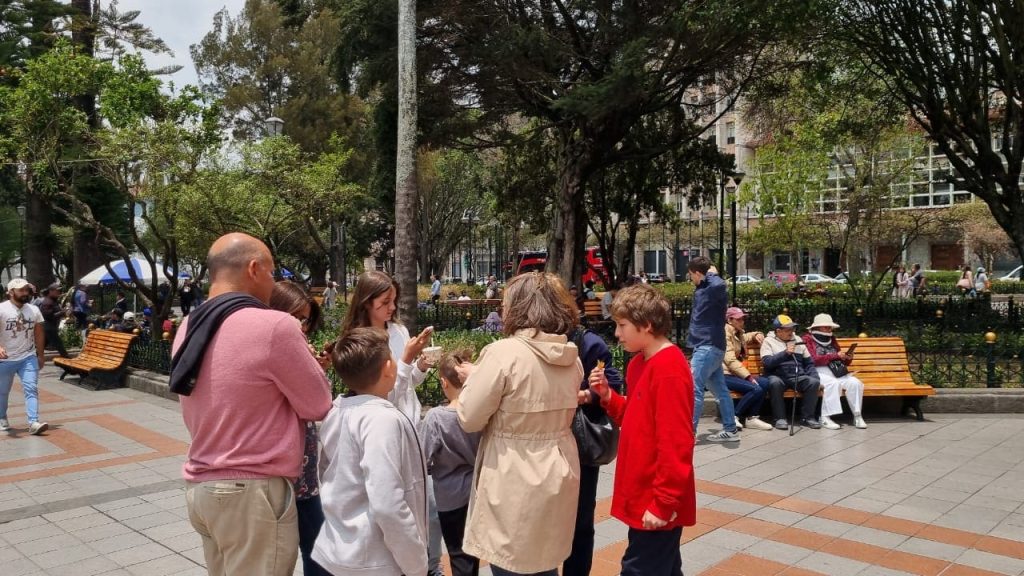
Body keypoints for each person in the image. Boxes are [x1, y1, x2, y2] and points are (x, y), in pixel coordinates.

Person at [171, 233, 333, 576]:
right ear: (254, 269)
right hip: (252, 491)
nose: (274, 283)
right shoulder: (275, 325)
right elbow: (318, 403)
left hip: (202, 485)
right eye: (272, 273)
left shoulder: (189, 324)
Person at [457, 272, 583, 576]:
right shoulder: (571, 357)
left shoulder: (504, 353)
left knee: (510, 563)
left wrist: (473, 379)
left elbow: (469, 418)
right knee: (545, 562)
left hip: (513, 471)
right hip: (559, 467)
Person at [339, 270, 444, 575]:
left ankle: (428, 563)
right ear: (366, 302)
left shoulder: (397, 332)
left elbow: (405, 385)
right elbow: (380, 395)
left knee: (427, 508)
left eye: (394, 301)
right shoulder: (357, 343)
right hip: (381, 432)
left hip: (410, 428)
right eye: (385, 301)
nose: (392, 308)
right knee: (390, 506)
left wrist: (419, 366)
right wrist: (407, 361)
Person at [588, 283, 694, 576]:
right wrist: (608, 397)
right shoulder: (639, 364)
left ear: (646, 325)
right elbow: (636, 418)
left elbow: (676, 442)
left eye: (622, 325)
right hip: (644, 491)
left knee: (638, 569)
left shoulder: (669, 368)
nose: (618, 334)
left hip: (656, 496)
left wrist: (664, 503)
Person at [314, 327, 428, 576]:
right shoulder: (381, 420)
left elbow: (326, 474)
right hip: (378, 560)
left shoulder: (337, 411)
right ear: (389, 367)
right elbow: (388, 503)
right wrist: (417, 564)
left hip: (341, 551)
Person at [269, 281, 332, 576]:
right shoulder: (274, 345)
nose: (302, 326)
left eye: (305, 319)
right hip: (279, 475)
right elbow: (318, 404)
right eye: (296, 317)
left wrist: (315, 367)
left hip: (304, 472)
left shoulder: (295, 347)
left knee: (317, 549)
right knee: (283, 557)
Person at [564, 324, 624, 576]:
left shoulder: (589, 343)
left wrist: (587, 394)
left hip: (579, 443)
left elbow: (612, 382)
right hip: (544, 443)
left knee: (580, 520)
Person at [422, 349, 482, 576]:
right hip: (477, 492)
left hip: (449, 497)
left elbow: (423, 457)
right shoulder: (480, 412)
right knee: (471, 555)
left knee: (457, 554)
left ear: (443, 382)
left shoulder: (436, 418)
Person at [687, 257, 737, 442]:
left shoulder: (714, 286)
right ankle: (730, 429)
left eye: (691, 274)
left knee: (695, 389)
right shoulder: (704, 288)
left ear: (698, 273)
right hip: (710, 346)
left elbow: (720, 284)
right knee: (721, 390)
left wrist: (712, 273)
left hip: (707, 346)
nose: (690, 278)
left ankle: (688, 432)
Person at [0, 279, 48, 435]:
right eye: (21, 290)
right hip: (5, 359)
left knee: (31, 389)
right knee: (3, 391)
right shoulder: (2, 309)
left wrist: (40, 355)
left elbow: (39, 333)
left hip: (28, 357)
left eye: (26, 290)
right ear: (11, 292)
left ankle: (33, 422)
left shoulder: (33, 310)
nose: (25, 293)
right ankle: (2, 418)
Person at [802, 314, 866, 430]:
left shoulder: (832, 339)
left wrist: (847, 357)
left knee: (855, 382)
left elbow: (840, 361)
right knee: (832, 384)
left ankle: (857, 415)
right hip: (817, 371)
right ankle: (825, 417)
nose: (829, 329)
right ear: (817, 327)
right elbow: (812, 360)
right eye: (826, 327)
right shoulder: (807, 339)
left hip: (836, 371)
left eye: (830, 327)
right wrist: (834, 355)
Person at [760, 315, 821, 429]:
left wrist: (816, 378)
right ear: (778, 331)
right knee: (775, 383)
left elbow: (809, 363)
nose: (792, 332)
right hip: (777, 375)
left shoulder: (798, 339)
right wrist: (785, 353)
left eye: (793, 328)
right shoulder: (768, 341)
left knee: (813, 382)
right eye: (788, 329)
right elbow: (767, 362)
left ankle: (807, 418)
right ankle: (779, 418)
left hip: (797, 375)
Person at [722, 307, 776, 431]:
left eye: (743, 319)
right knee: (756, 388)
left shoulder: (738, 333)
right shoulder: (724, 334)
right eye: (739, 319)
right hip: (724, 374)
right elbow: (730, 360)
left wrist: (757, 334)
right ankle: (733, 416)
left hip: (735, 374)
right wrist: (749, 377)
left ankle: (752, 418)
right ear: (730, 320)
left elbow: (747, 337)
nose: (742, 321)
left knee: (765, 383)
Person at [39, 283, 68, 358]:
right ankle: (67, 360)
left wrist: (63, 312)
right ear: (51, 291)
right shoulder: (47, 302)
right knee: (59, 346)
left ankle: (32, 358)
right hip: (49, 327)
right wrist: (62, 312)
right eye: (57, 291)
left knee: (42, 346)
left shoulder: (53, 301)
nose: (59, 292)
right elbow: (47, 316)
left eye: (60, 291)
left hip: (50, 327)